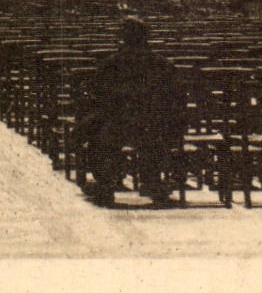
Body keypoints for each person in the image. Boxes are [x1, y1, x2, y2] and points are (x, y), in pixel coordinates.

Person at [77, 16, 185, 207]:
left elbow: (97, 96)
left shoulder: (110, 64)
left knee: (93, 129)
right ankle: (152, 179)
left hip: (118, 127)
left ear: (123, 38)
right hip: (155, 127)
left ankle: (105, 183)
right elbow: (176, 98)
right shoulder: (163, 64)